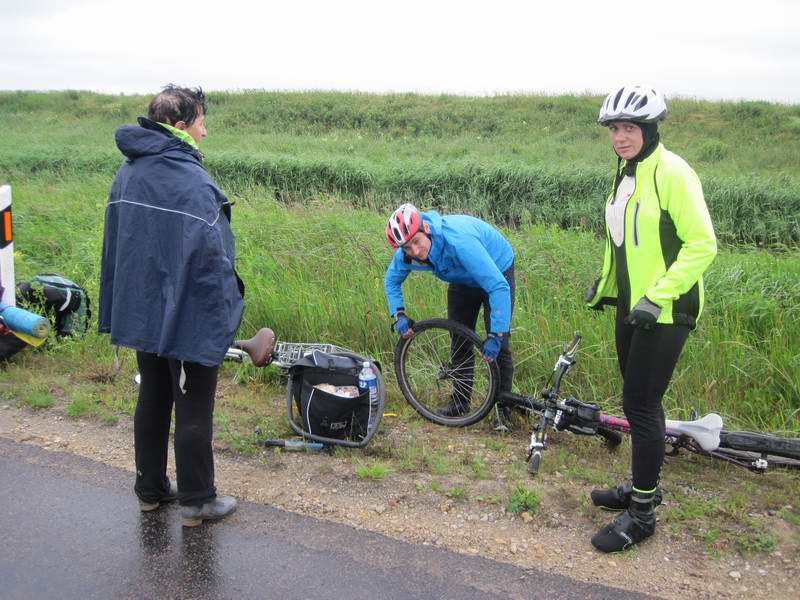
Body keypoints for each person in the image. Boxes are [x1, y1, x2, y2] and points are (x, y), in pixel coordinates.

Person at [99, 85, 245, 527]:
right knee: (193, 402)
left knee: (154, 392)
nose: (205, 131)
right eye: (201, 121)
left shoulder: (127, 174)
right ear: (181, 127)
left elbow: (117, 249)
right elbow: (216, 261)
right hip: (188, 313)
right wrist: (226, 313)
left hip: (143, 308)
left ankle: (150, 490)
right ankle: (198, 501)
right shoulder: (194, 183)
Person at [584, 84, 717, 552]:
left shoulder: (672, 172)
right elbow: (620, 241)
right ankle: (646, 487)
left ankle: (642, 514)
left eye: (629, 128)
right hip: (632, 306)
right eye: (615, 129)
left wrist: (657, 296)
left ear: (650, 127)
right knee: (638, 400)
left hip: (666, 309)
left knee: (640, 403)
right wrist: (606, 285)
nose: (620, 136)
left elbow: (702, 244)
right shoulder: (626, 173)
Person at [384, 204, 516, 427]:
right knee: (459, 340)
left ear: (426, 228)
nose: (415, 252)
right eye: (407, 248)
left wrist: (496, 333)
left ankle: (503, 410)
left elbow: (498, 287)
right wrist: (399, 314)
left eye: (417, 242)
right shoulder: (407, 255)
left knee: (499, 345)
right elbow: (391, 281)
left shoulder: (459, 242)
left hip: (496, 269)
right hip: (462, 279)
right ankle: (460, 403)